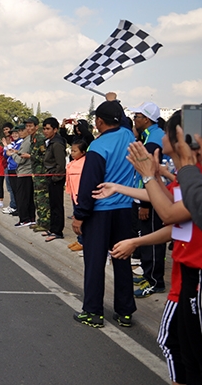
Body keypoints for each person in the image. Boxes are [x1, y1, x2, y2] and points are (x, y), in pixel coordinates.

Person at [96, 111, 199, 383]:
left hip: (194, 279)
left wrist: (149, 176)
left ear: (182, 138)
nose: (160, 136)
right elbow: (172, 210)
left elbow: (170, 215)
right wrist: (121, 187)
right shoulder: (188, 176)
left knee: (181, 351)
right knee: (180, 350)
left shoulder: (195, 175)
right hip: (185, 276)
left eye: (167, 132)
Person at [72, 100, 136, 328]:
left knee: (95, 262)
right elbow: (125, 123)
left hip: (100, 211)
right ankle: (125, 311)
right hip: (125, 208)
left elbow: (90, 184)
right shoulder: (130, 137)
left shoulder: (98, 147)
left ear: (98, 121)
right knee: (122, 258)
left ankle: (93, 311)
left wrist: (80, 214)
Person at [128, 101, 167, 298]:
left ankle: (155, 281)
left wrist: (145, 203)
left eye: (137, 116)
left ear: (147, 119)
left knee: (152, 239)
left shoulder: (153, 140)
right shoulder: (149, 136)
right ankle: (147, 273)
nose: (135, 119)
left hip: (153, 199)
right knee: (146, 238)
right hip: (149, 196)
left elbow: (148, 174)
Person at [23, 116, 50, 233]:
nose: (28, 128)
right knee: (37, 199)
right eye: (27, 126)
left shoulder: (40, 139)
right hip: (36, 173)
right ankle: (40, 221)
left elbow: (45, 157)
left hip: (42, 174)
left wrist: (30, 157)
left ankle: (46, 223)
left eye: (30, 126)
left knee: (42, 199)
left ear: (36, 127)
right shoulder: (32, 139)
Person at [41, 117, 66, 242]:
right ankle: (52, 228)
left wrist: (56, 177)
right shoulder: (50, 141)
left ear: (55, 130)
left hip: (56, 178)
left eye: (48, 129)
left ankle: (58, 231)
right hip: (50, 176)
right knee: (52, 204)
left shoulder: (57, 143)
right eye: (44, 129)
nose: (45, 131)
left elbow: (60, 164)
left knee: (57, 205)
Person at [8, 124, 35, 227]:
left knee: (22, 197)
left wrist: (13, 154)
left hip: (24, 172)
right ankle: (30, 218)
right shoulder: (27, 140)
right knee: (27, 197)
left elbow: (21, 159)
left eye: (20, 131)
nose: (19, 133)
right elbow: (22, 153)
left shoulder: (27, 141)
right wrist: (17, 152)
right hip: (26, 172)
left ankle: (25, 219)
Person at [65, 140, 87, 251]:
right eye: (71, 151)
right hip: (74, 194)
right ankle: (79, 239)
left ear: (83, 152)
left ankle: (84, 242)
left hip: (81, 194)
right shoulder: (73, 163)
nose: (72, 153)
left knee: (81, 219)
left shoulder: (84, 163)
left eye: (75, 151)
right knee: (76, 216)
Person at [2, 127, 21, 215]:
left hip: (16, 169)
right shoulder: (13, 143)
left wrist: (7, 147)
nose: (14, 135)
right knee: (12, 189)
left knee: (17, 190)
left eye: (16, 133)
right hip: (10, 168)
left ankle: (16, 207)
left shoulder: (21, 143)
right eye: (13, 134)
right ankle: (14, 206)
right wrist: (7, 149)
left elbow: (13, 152)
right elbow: (6, 154)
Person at [2, 122, 17, 210]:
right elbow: (5, 154)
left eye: (7, 129)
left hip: (13, 166)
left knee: (12, 187)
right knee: (9, 187)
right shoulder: (6, 139)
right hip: (6, 164)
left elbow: (11, 152)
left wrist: (6, 146)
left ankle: (13, 205)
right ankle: (12, 204)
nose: (5, 131)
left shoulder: (13, 140)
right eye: (4, 130)